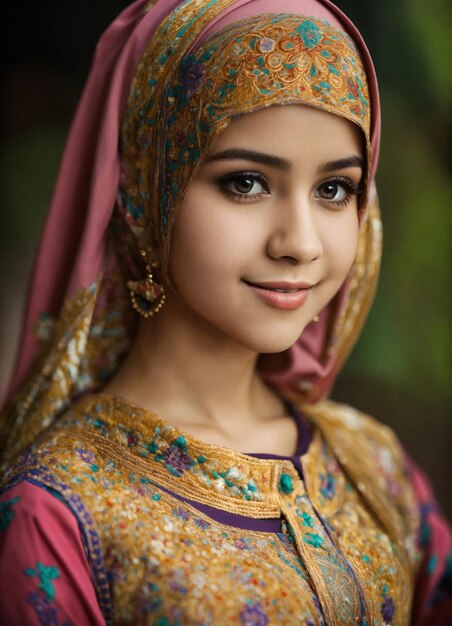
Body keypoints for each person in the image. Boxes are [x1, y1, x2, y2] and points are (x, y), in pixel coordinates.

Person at [0, 0, 450, 624]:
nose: (300, 242)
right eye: (246, 182)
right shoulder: (57, 508)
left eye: (333, 189)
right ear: (144, 193)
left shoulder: (374, 465)